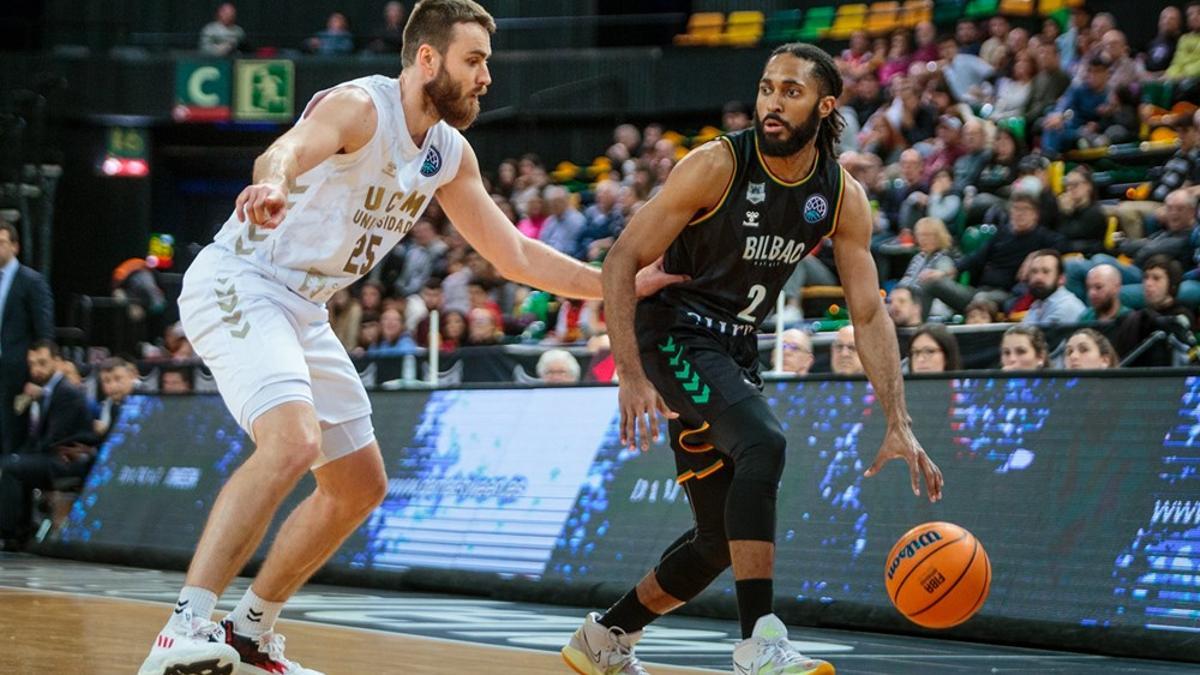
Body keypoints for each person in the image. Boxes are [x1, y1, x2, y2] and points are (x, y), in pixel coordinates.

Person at [137, 3, 684, 674]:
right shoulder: (360, 108)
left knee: (358, 484)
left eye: (487, 62)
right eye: (474, 60)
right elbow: (283, 150)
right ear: (428, 60)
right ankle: (182, 628)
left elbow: (512, 254)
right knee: (294, 440)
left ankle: (251, 630)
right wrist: (274, 184)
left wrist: (614, 283)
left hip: (303, 306)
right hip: (243, 278)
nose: (486, 76)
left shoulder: (448, 153)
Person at [566, 43, 943, 675]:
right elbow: (621, 259)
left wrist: (898, 419)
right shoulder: (716, 165)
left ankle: (605, 637)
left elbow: (869, 313)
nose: (772, 102)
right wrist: (629, 373)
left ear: (825, 106)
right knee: (763, 443)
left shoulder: (841, 195)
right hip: (675, 334)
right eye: (767, 88)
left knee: (717, 542)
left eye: (790, 91)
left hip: (734, 350)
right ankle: (759, 645)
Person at [0, 341, 95, 550]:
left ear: (57, 361)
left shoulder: (66, 391)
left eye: (42, 363)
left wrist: (23, 456)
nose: (37, 369)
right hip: (53, 455)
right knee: (13, 464)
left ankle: (9, 532)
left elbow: (56, 438)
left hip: (69, 459)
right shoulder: (47, 391)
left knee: (11, 467)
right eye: (32, 364)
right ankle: (19, 529)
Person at [0, 220, 54, 456]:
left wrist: (38, 377)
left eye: (1, 243)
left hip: (18, 372)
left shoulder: (31, 281)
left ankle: (10, 488)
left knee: (11, 435)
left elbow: (44, 333)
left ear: (15, 247)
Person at [1020, 249, 1086, 325]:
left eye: (1046, 271)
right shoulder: (1037, 304)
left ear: (1061, 279)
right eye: (1034, 272)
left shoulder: (1067, 306)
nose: (1038, 277)